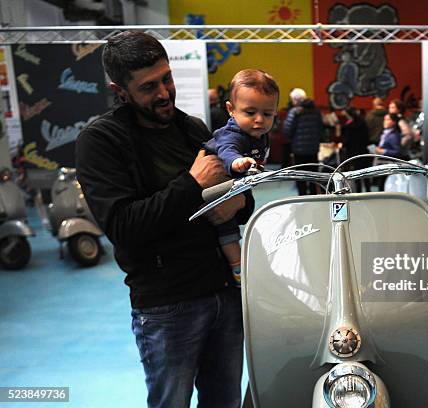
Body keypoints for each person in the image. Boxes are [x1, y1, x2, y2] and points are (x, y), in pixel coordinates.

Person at [75, 31, 253, 408]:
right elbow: (124, 227)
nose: (163, 93)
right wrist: (192, 184)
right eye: (148, 87)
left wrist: (237, 203)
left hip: (224, 293)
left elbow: (244, 198)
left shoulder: (191, 128)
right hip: (167, 307)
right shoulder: (101, 141)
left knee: (225, 402)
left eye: (166, 78)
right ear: (119, 90)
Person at [204, 69, 279, 287]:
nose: (259, 120)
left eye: (267, 114)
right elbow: (227, 149)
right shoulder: (233, 134)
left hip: (234, 186)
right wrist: (237, 161)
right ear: (231, 110)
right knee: (226, 228)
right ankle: (238, 268)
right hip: (213, 190)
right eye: (250, 112)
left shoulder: (259, 135)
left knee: (238, 218)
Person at [282, 88, 324, 195]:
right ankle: (314, 197)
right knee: (313, 176)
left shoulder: (295, 112)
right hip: (313, 149)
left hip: (299, 150)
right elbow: (321, 130)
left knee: (301, 176)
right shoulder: (316, 111)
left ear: (296, 100)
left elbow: (287, 130)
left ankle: (303, 198)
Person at [340, 107, 371, 192]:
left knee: (357, 174)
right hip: (363, 151)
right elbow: (367, 137)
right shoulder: (363, 122)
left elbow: (346, 141)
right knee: (366, 173)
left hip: (353, 152)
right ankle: (368, 190)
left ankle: (358, 192)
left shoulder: (348, 126)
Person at [374, 113, 402, 190]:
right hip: (382, 163)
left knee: (385, 186)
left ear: (393, 122)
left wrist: (383, 151)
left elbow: (397, 152)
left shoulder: (394, 135)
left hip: (388, 164)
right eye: (384, 119)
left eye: (388, 119)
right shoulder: (385, 133)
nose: (385, 121)